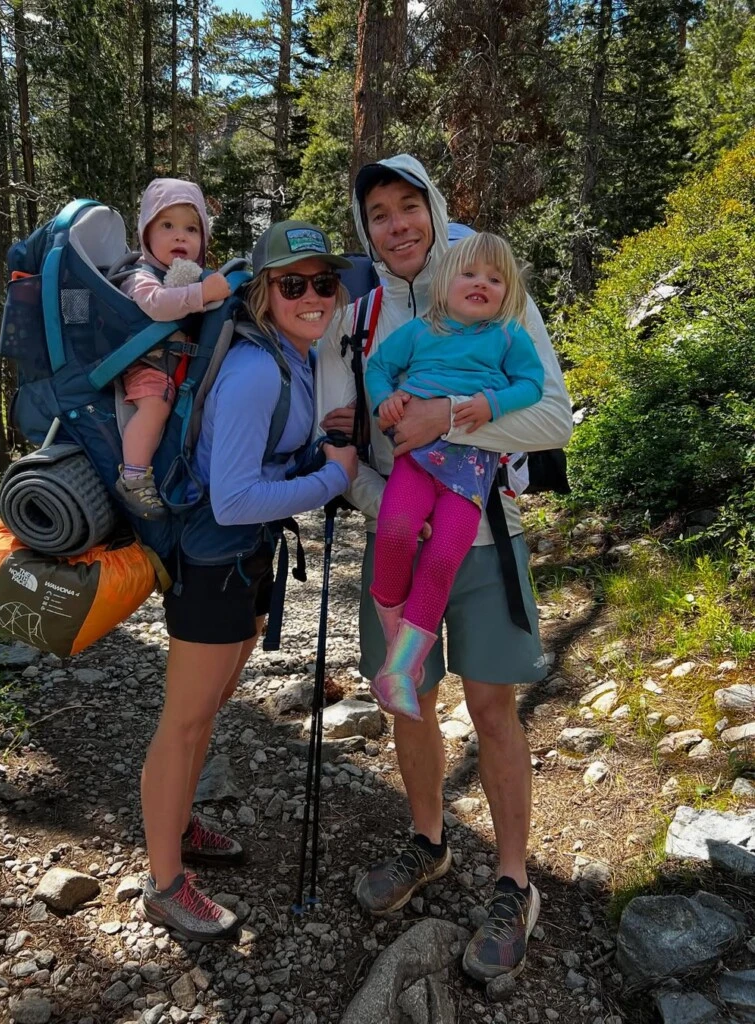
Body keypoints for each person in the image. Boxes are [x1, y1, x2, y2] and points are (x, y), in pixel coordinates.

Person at [316, 155, 573, 982]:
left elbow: (551, 418)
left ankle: (512, 881)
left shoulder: (493, 292)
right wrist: (371, 494)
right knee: (409, 700)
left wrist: (447, 419)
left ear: (433, 209)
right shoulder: (352, 323)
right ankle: (427, 841)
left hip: (485, 536)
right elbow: (341, 438)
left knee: (493, 708)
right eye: (379, 214)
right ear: (366, 230)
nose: (397, 225)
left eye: (408, 206)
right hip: (397, 536)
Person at [140, 220, 358, 942]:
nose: (311, 295)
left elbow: (260, 471)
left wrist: (316, 452)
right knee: (186, 721)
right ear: (263, 293)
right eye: (290, 283)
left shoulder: (291, 358)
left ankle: (177, 827)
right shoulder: (256, 368)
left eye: (322, 282)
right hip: (212, 560)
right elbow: (232, 496)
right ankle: (164, 883)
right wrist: (332, 477)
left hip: (244, 558)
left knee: (209, 710)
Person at [364, 232, 544, 721]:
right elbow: (378, 366)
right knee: (397, 529)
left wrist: (491, 403)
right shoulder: (422, 330)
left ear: (508, 293)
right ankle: (397, 647)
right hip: (416, 459)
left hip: (471, 472)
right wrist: (385, 400)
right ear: (444, 283)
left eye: (495, 278)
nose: (481, 284)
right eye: (469, 274)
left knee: (442, 559)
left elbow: (532, 384)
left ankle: (400, 669)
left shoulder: (509, 335)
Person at [116, 178, 232, 520]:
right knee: (154, 407)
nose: (180, 235)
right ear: (146, 234)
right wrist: (201, 295)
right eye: (167, 225)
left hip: (173, 366)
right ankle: (134, 478)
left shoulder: (187, 275)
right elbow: (156, 305)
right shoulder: (141, 275)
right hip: (144, 364)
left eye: (191, 228)